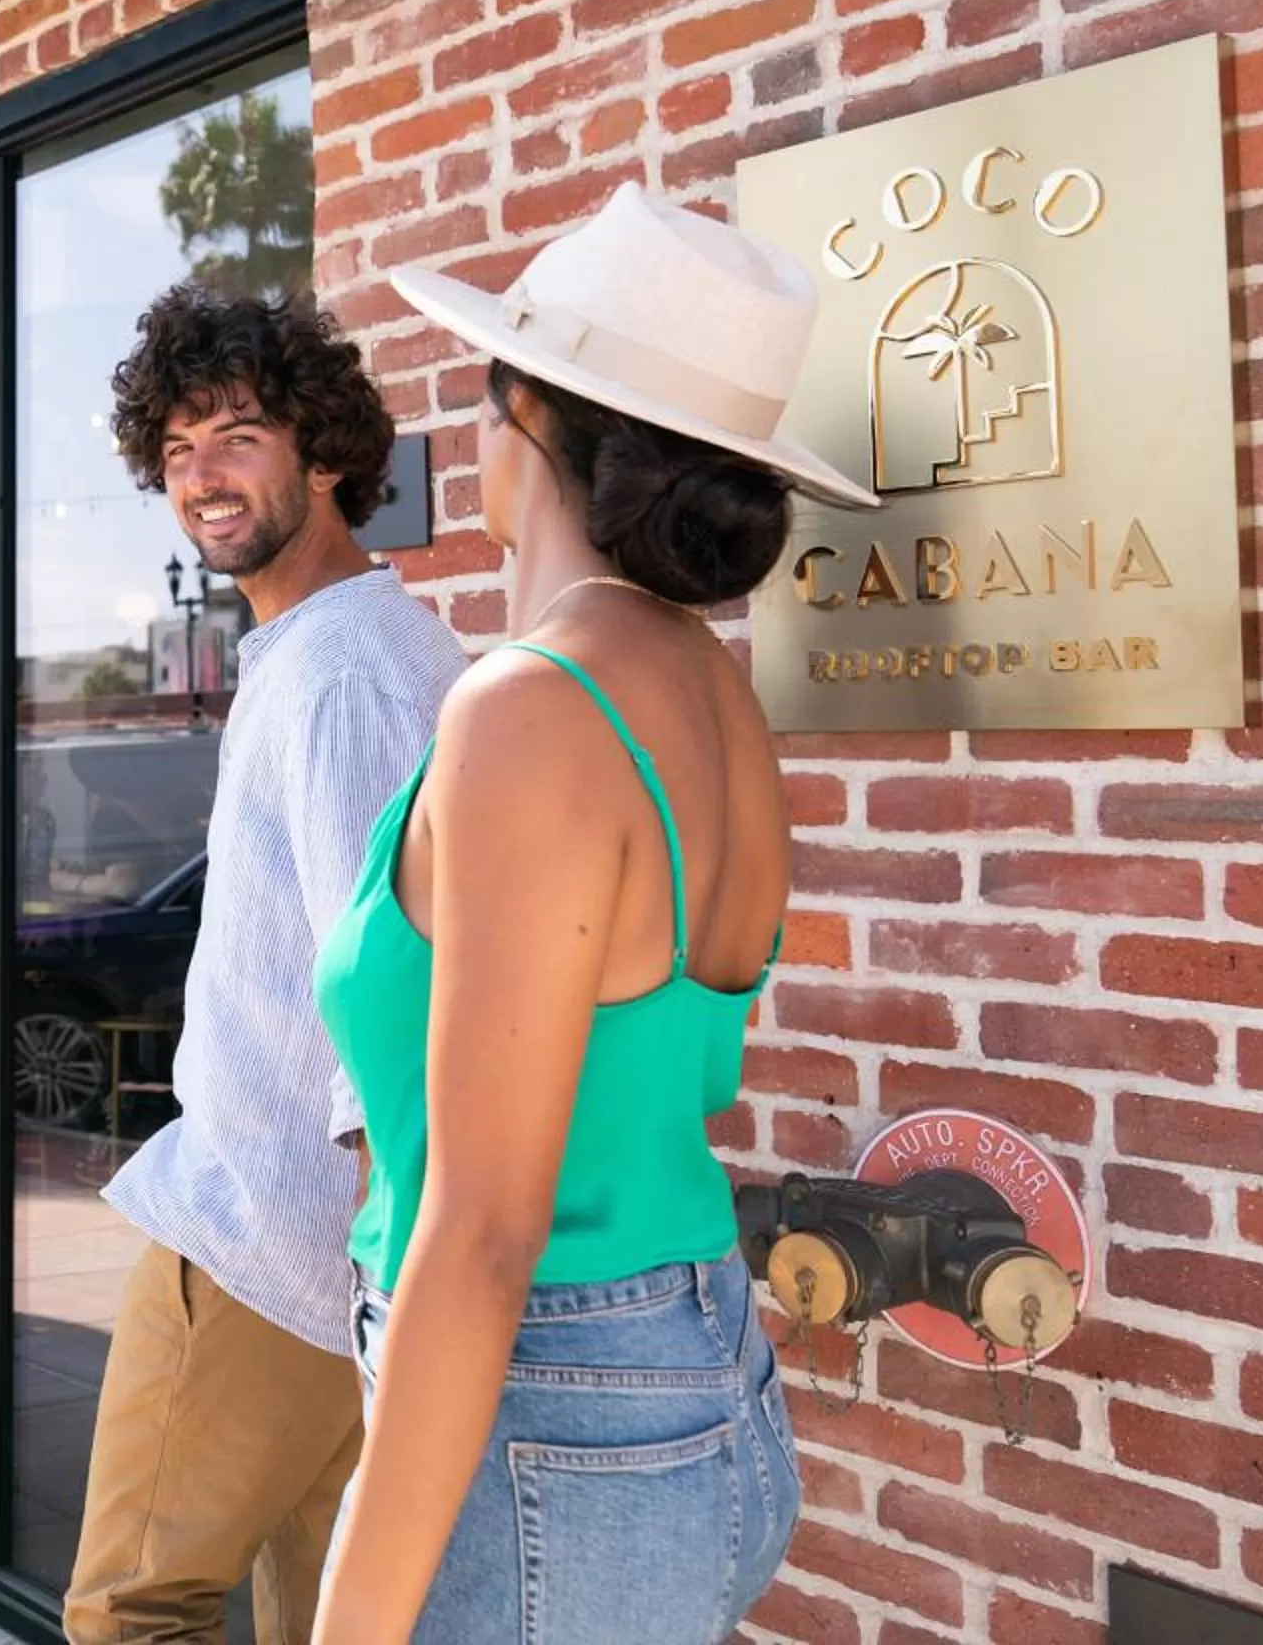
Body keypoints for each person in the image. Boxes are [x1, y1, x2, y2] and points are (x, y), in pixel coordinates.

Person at [311, 183, 876, 1644]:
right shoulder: (717, 698)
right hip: (688, 1376)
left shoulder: (531, 709)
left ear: (523, 419)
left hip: (547, 1419)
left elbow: (485, 1230)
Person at [65, 281, 466, 1644]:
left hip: (266, 1236)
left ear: (327, 453)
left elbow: (389, 973)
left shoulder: (345, 670)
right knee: (326, 1619)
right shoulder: (340, 649)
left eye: (238, 436)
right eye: (178, 450)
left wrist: (388, 1249)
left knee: (133, 1611)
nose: (203, 478)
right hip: (333, 1258)